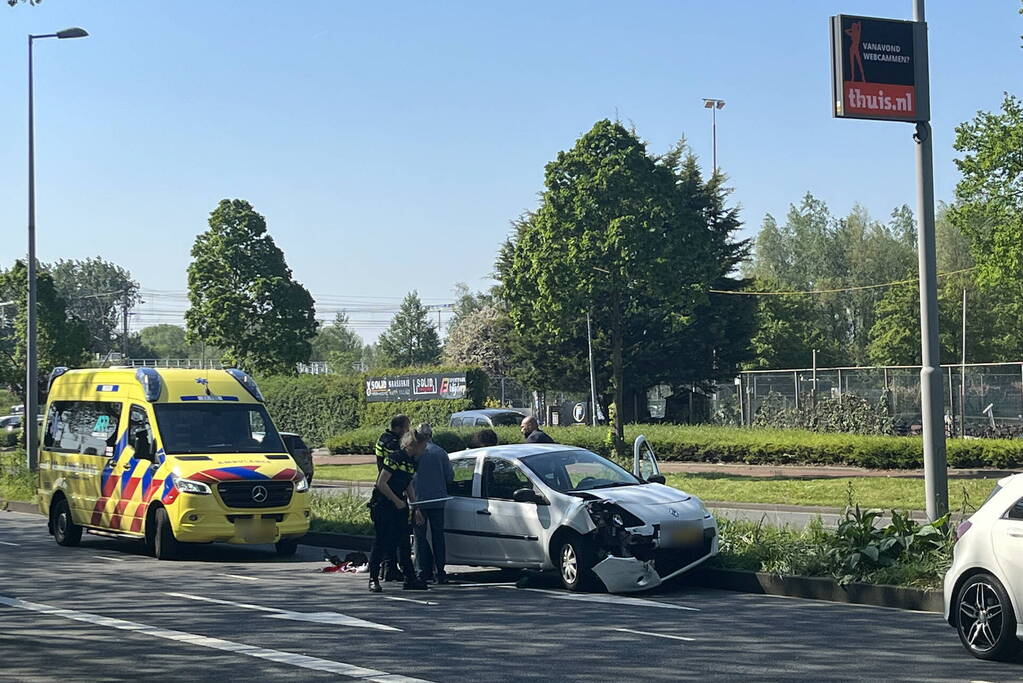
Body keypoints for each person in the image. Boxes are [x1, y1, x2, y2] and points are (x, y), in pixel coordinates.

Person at [368, 427, 429, 593]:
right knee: (381, 541)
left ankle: (410, 578)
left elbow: (408, 483)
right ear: (413, 445)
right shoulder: (394, 458)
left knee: (403, 542)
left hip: (400, 504)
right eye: (423, 446)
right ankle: (373, 579)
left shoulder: (412, 462)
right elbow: (381, 483)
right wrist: (396, 501)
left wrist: (415, 507)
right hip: (383, 504)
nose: (424, 450)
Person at [411, 423, 454, 584]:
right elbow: (450, 476)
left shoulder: (415, 453)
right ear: (431, 435)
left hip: (419, 500)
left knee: (420, 537)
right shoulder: (440, 452)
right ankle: (440, 572)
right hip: (438, 500)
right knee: (438, 536)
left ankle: (422, 572)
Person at [375, 414, 410, 581]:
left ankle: (387, 568)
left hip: (387, 487)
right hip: (390, 490)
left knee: (388, 536)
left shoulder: (382, 438)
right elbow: (397, 465)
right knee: (396, 535)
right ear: (399, 428)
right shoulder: (393, 444)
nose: (408, 431)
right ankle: (390, 568)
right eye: (406, 427)